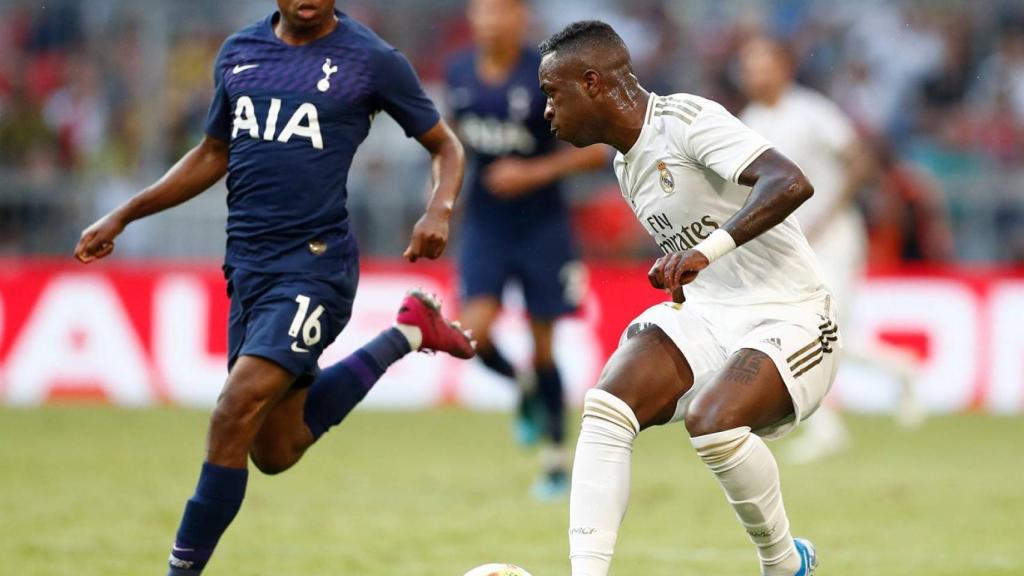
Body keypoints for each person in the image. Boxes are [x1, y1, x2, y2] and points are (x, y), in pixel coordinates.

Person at [73, 2, 475, 574]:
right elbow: (213, 153)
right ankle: (408, 333)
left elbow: (446, 146)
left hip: (316, 267)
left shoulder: (370, 59)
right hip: (248, 269)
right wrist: (125, 214)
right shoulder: (239, 52)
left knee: (232, 410)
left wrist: (439, 209)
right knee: (275, 449)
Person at [539, 21, 835, 576]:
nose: (547, 111)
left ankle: (783, 564)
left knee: (713, 421)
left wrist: (706, 250)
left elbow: (790, 181)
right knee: (606, 408)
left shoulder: (686, 121)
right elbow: (694, 249)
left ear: (592, 83)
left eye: (553, 93)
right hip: (710, 315)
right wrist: (682, 266)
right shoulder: (626, 165)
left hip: (791, 313)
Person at [444, 0, 606, 499]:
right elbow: (453, 142)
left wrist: (532, 172)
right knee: (470, 333)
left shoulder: (546, 76)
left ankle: (555, 461)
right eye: (483, 11)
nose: (491, 20)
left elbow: (596, 150)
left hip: (542, 227)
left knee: (543, 346)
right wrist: (442, 201)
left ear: (519, 19)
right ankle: (524, 387)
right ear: (472, 18)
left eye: (502, 11)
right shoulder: (458, 73)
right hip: (486, 224)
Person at [738, 36, 922, 463]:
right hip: (791, 245)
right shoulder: (747, 121)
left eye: (761, 65)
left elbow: (859, 159)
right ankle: (895, 371)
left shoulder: (811, 111)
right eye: (747, 67)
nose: (753, 75)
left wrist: (828, 213)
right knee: (811, 333)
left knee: (822, 333)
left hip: (834, 237)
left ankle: (830, 425)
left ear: (783, 67)